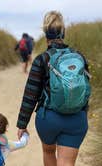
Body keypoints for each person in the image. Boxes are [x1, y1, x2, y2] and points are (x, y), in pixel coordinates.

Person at [16, 11, 91, 166]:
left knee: (48, 151)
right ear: (63, 33)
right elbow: (85, 89)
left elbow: (31, 94)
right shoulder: (79, 56)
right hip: (77, 118)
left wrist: (22, 124)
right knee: (66, 162)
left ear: (45, 35)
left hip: (49, 119)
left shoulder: (42, 59)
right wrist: (82, 112)